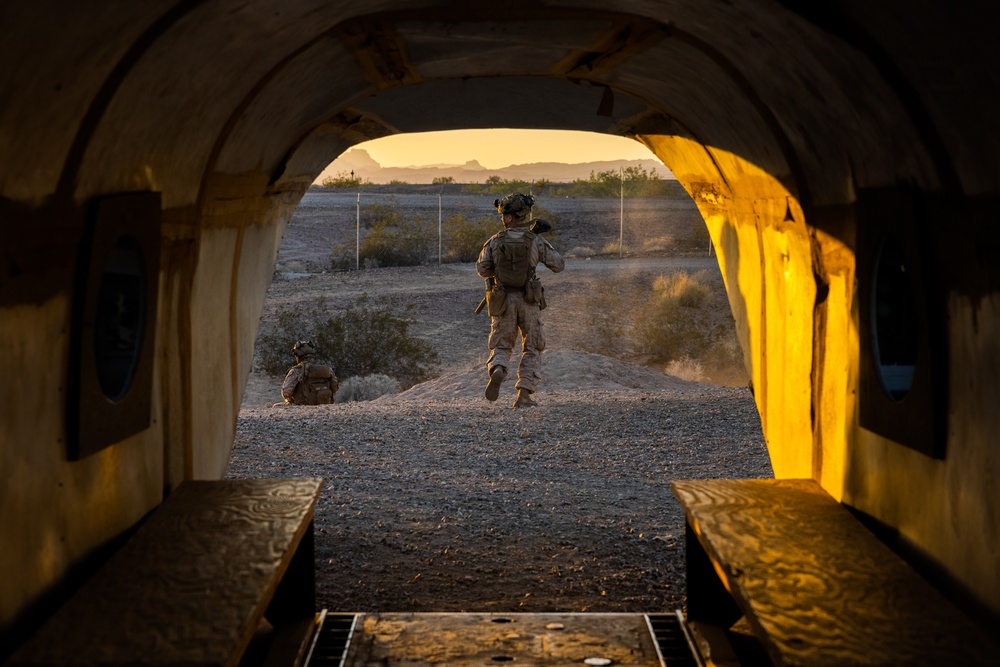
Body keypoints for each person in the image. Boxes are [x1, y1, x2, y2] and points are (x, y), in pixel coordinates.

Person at [477, 193, 565, 408]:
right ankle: (524, 395)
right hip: (529, 300)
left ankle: (498, 369)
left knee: (502, 345)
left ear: (508, 217)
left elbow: (482, 269)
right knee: (532, 347)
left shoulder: (494, 241)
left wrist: (500, 271)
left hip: (503, 300)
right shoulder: (536, 240)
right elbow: (558, 265)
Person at [281, 340, 339, 405]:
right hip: (325, 404)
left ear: (298, 355)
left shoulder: (297, 370)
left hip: (303, 406)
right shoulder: (326, 368)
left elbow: (286, 392)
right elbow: (335, 388)